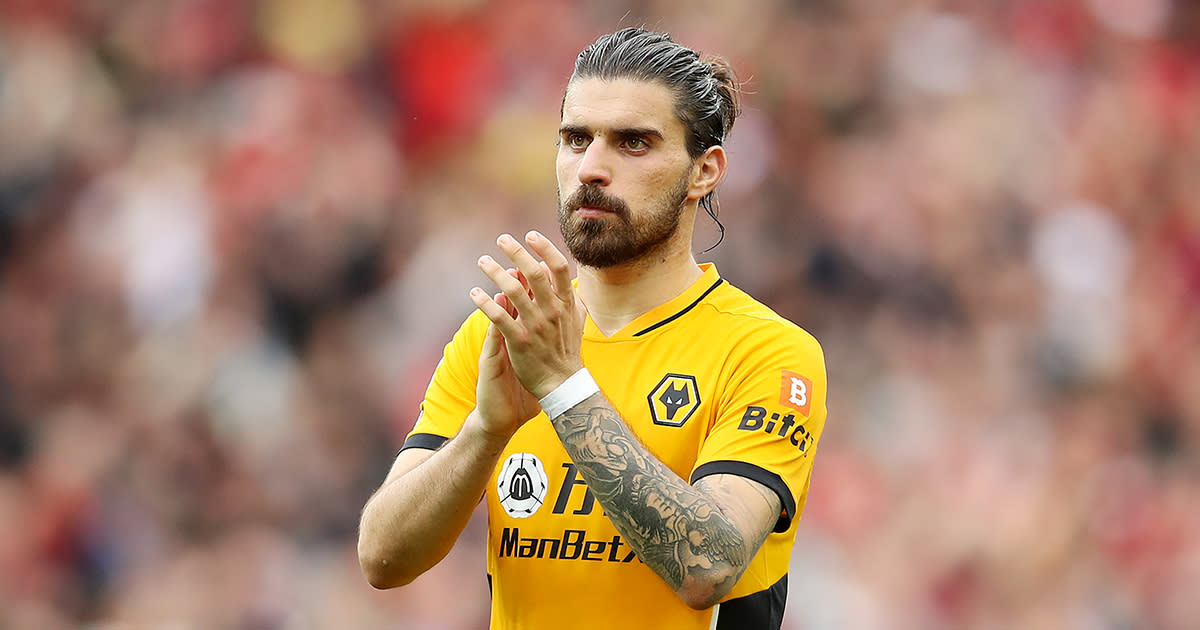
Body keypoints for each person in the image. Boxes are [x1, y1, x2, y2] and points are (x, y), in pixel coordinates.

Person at [357, 27, 828, 630]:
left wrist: (562, 386)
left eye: (634, 143)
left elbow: (707, 564)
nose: (592, 168)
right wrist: (485, 432)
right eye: (576, 139)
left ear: (704, 171)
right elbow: (383, 557)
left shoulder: (765, 351)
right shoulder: (504, 335)